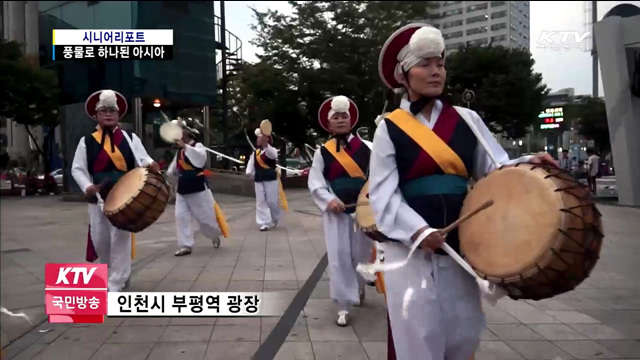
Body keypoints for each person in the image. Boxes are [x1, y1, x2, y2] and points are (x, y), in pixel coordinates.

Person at [368, 24, 558, 360]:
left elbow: (495, 169)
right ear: (404, 74)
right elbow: (383, 194)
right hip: (409, 251)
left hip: (461, 247)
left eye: (440, 64)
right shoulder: (389, 128)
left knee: (463, 334)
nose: (436, 71)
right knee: (417, 338)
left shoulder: (468, 119)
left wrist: (529, 161)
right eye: (425, 64)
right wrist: (418, 230)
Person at [72, 89, 160, 292]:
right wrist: (87, 187)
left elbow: (143, 158)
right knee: (101, 242)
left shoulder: (130, 138)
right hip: (99, 200)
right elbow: (77, 168)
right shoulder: (87, 141)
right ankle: (118, 274)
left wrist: (151, 163)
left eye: (112, 110)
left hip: (125, 198)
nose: (108, 114)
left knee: (120, 239)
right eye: (104, 111)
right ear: (96, 115)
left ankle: (116, 283)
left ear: (118, 114)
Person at [308, 95, 373, 326]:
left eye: (344, 116)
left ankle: (359, 286)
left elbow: (378, 177)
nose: (340, 120)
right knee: (338, 257)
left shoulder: (369, 148)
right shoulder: (322, 151)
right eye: (336, 117)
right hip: (336, 212)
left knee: (360, 255)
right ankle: (343, 304)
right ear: (329, 123)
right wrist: (328, 200)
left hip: (362, 211)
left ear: (351, 119)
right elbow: (316, 182)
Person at [166, 118, 223, 256]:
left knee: (205, 218)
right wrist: (170, 176)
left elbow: (200, 160)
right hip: (182, 188)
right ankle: (186, 244)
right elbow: (173, 168)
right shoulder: (179, 151)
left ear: (186, 133)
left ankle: (214, 235)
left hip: (197, 187)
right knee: (181, 216)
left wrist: (186, 147)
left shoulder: (198, 146)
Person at [245, 123, 286, 231]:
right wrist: (249, 173)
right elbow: (251, 164)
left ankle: (275, 217)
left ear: (266, 139)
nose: (258, 140)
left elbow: (273, 155)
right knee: (261, 201)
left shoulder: (270, 150)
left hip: (270, 178)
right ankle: (263, 222)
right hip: (259, 179)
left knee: (272, 201)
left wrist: (266, 145)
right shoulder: (255, 153)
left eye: (260, 138)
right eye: (258, 138)